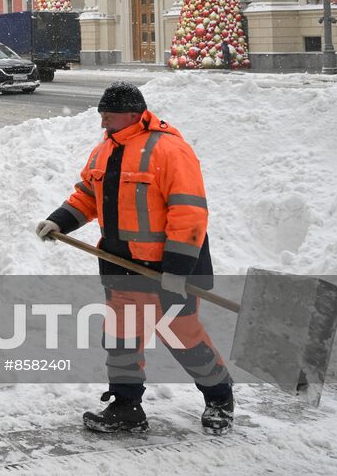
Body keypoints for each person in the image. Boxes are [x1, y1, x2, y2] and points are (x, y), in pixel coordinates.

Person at [35, 82, 234, 437]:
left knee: (183, 338)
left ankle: (219, 398)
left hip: (168, 270)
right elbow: (87, 195)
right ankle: (127, 407)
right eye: (102, 117)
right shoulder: (104, 151)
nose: (103, 124)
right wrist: (60, 220)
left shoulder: (170, 150)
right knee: (121, 340)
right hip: (121, 266)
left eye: (108, 116)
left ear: (132, 113)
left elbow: (189, 212)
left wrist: (177, 269)